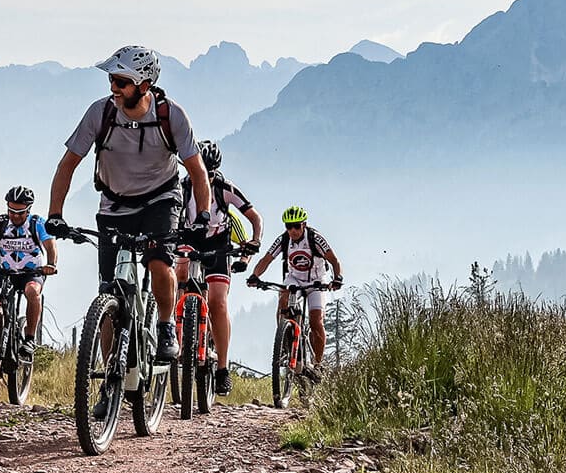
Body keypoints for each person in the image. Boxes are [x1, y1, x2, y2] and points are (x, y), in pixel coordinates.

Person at [45, 45, 215, 364]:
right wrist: (55, 214)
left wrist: (203, 216)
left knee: (158, 262)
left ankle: (165, 326)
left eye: (121, 82)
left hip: (161, 200)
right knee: (108, 292)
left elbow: (197, 171)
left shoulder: (171, 115)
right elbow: (67, 165)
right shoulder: (101, 112)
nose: (114, 88)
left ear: (144, 85)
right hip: (114, 204)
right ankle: (111, 376)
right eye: (111, 80)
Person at [174, 140, 263, 396]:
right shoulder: (183, 187)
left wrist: (254, 242)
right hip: (190, 238)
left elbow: (255, 217)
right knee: (177, 276)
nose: (205, 176)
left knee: (218, 302)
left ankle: (222, 368)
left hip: (218, 243)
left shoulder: (225, 188)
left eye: (210, 172)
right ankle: (179, 329)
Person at [246, 205, 344, 378]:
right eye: (288, 226)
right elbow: (266, 259)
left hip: (317, 281)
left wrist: (338, 278)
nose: (292, 230)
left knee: (316, 321)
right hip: (295, 279)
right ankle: (284, 339)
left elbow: (334, 260)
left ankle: (318, 364)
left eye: (296, 226)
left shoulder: (315, 238)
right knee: (283, 296)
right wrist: (254, 275)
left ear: (304, 225)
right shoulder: (284, 240)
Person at [0, 185, 58, 357]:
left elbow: (50, 246)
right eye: (11, 211)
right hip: (6, 273)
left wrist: (51, 264)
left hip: (32, 272)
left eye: (20, 212)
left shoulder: (38, 224)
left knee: (32, 291)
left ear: (28, 210)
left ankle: (29, 338)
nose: (15, 215)